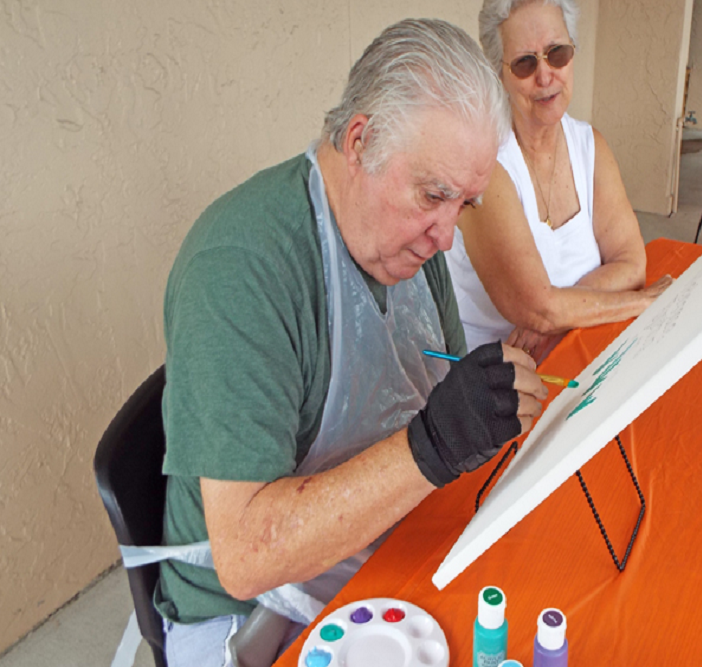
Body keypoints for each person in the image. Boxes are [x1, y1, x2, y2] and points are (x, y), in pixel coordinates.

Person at [153, 19, 547, 666]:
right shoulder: (241, 266)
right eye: (433, 194)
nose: (446, 237)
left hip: (373, 547)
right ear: (360, 141)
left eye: (465, 205)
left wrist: (482, 409)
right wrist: (437, 442)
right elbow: (247, 555)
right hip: (252, 614)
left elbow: (444, 398)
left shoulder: (412, 243)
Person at [444, 0, 672, 363]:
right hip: (494, 373)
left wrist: (559, 312)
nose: (545, 76)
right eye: (525, 62)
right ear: (498, 72)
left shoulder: (590, 146)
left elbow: (631, 263)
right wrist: (640, 302)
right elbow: (538, 308)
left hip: (578, 345)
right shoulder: (486, 165)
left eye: (557, 54)